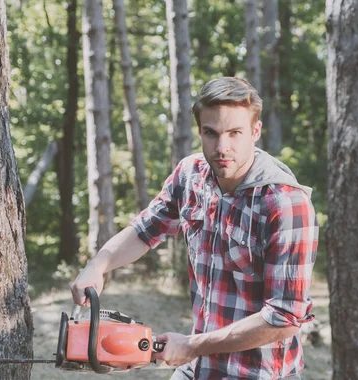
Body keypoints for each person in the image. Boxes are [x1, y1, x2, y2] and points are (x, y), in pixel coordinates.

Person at [70, 77, 318, 379]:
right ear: (199, 131)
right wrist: (98, 265)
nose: (222, 147)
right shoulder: (191, 175)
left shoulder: (284, 203)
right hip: (198, 366)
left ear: (255, 131)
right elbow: (146, 230)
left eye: (234, 133)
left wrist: (191, 345)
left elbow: (285, 317)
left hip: (257, 373)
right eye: (211, 133)